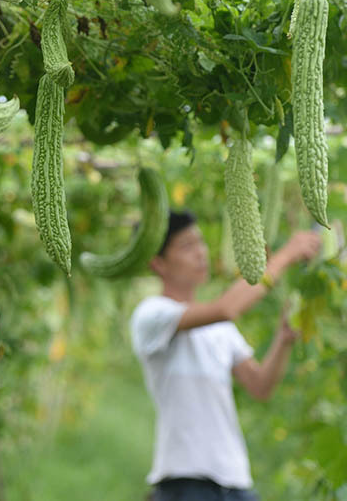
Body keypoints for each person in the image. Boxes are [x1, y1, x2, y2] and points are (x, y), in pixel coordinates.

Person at [130, 211, 321, 501]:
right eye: (186, 246)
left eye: (200, 243)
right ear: (157, 263)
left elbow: (259, 386)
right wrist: (284, 257)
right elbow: (226, 308)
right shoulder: (152, 315)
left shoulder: (221, 330)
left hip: (235, 482)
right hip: (186, 482)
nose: (201, 253)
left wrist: (283, 340)